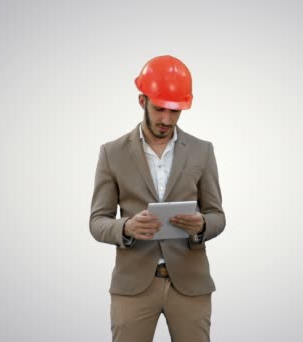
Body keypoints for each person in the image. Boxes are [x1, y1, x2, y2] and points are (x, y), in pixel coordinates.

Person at [89, 55, 226, 342]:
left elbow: (217, 216)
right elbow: (97, 221)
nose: (166, 120)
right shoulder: (111, 153)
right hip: (133, 287)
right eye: (159, 109)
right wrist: (125, 228)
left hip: (190, 285)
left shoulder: (203, 151)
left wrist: (201, 226)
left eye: (175, 112)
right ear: (142, 101)